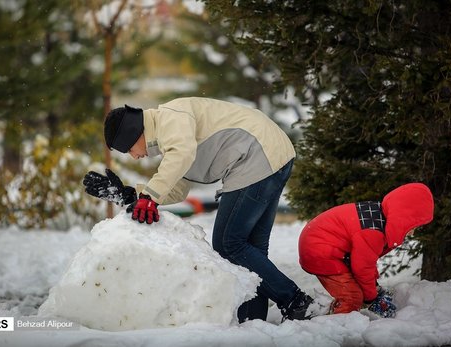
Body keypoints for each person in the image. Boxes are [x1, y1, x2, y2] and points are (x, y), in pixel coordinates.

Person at [83, 97, 318, 322]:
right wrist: (130, 194)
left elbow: (180, 156)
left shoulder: (170, 118)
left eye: (128, 150)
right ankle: (253, 319)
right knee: (250, 248)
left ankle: (296, 302)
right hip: (271, 155)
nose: (134, 157)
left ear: (132, 134)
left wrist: (150, 196)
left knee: (229, 244)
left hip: (256, 156)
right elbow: (178, 187)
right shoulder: (173, 139)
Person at [298, 183, 434, 317]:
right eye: (414, 225)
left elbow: (367, 260)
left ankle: (336, 312)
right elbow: (362, 267)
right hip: (319, 251)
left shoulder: (378, 216)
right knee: (352, 298)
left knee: (360, 290)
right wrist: (371, 299)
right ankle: (337, 326)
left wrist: (373, 286)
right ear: (403, 218)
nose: (414, 231)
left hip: (325, 247)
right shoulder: (373, 232)